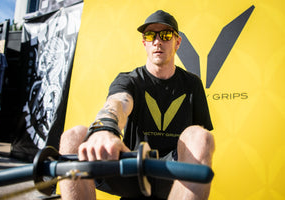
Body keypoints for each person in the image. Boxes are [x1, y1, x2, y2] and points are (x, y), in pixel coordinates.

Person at [59, 10, 215, 200]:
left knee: (201, 136)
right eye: (150, 35)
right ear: (144, 43)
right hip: (131, 169)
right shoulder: (129, 80)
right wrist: (105, 129)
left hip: (173, 173)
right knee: (73, 137)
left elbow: (198, 141)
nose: (157, 41)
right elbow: (119, 102)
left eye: (165, 35)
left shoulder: (192, 84)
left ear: (177, 42)